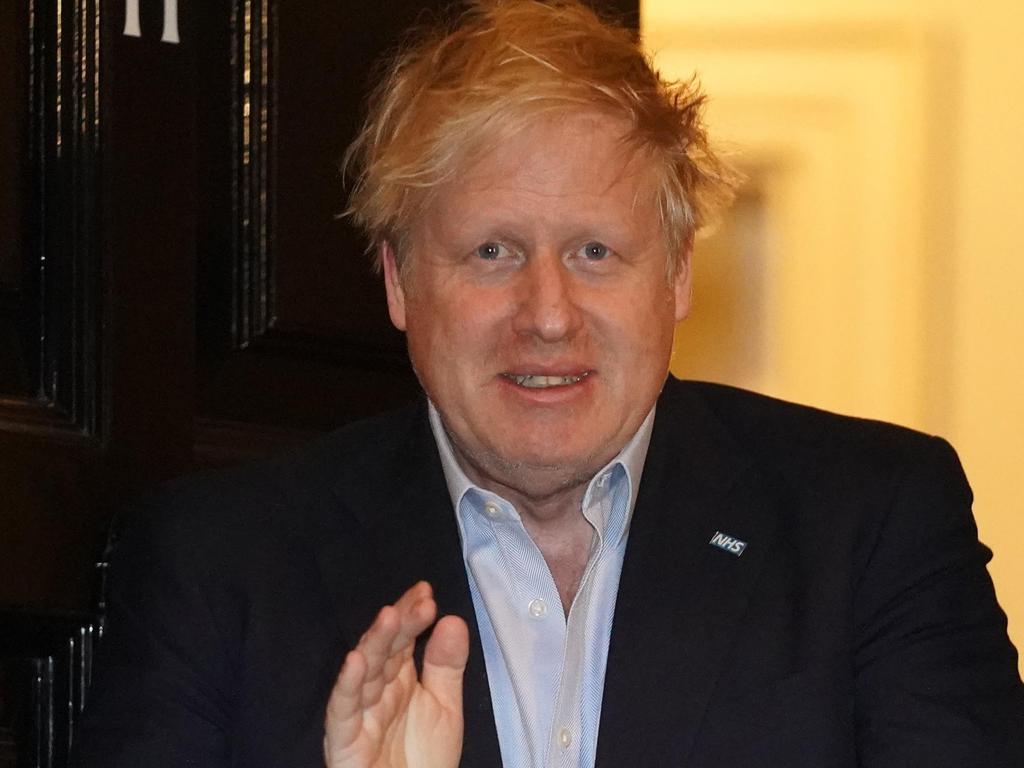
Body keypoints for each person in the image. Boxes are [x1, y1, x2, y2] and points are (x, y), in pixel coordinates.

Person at [74, 1, 1024, 766]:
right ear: (401, 281)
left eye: (597, 252)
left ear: (680, 274)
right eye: (491, 252)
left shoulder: (874, 525)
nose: (549, 312)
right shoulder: (217, 567)